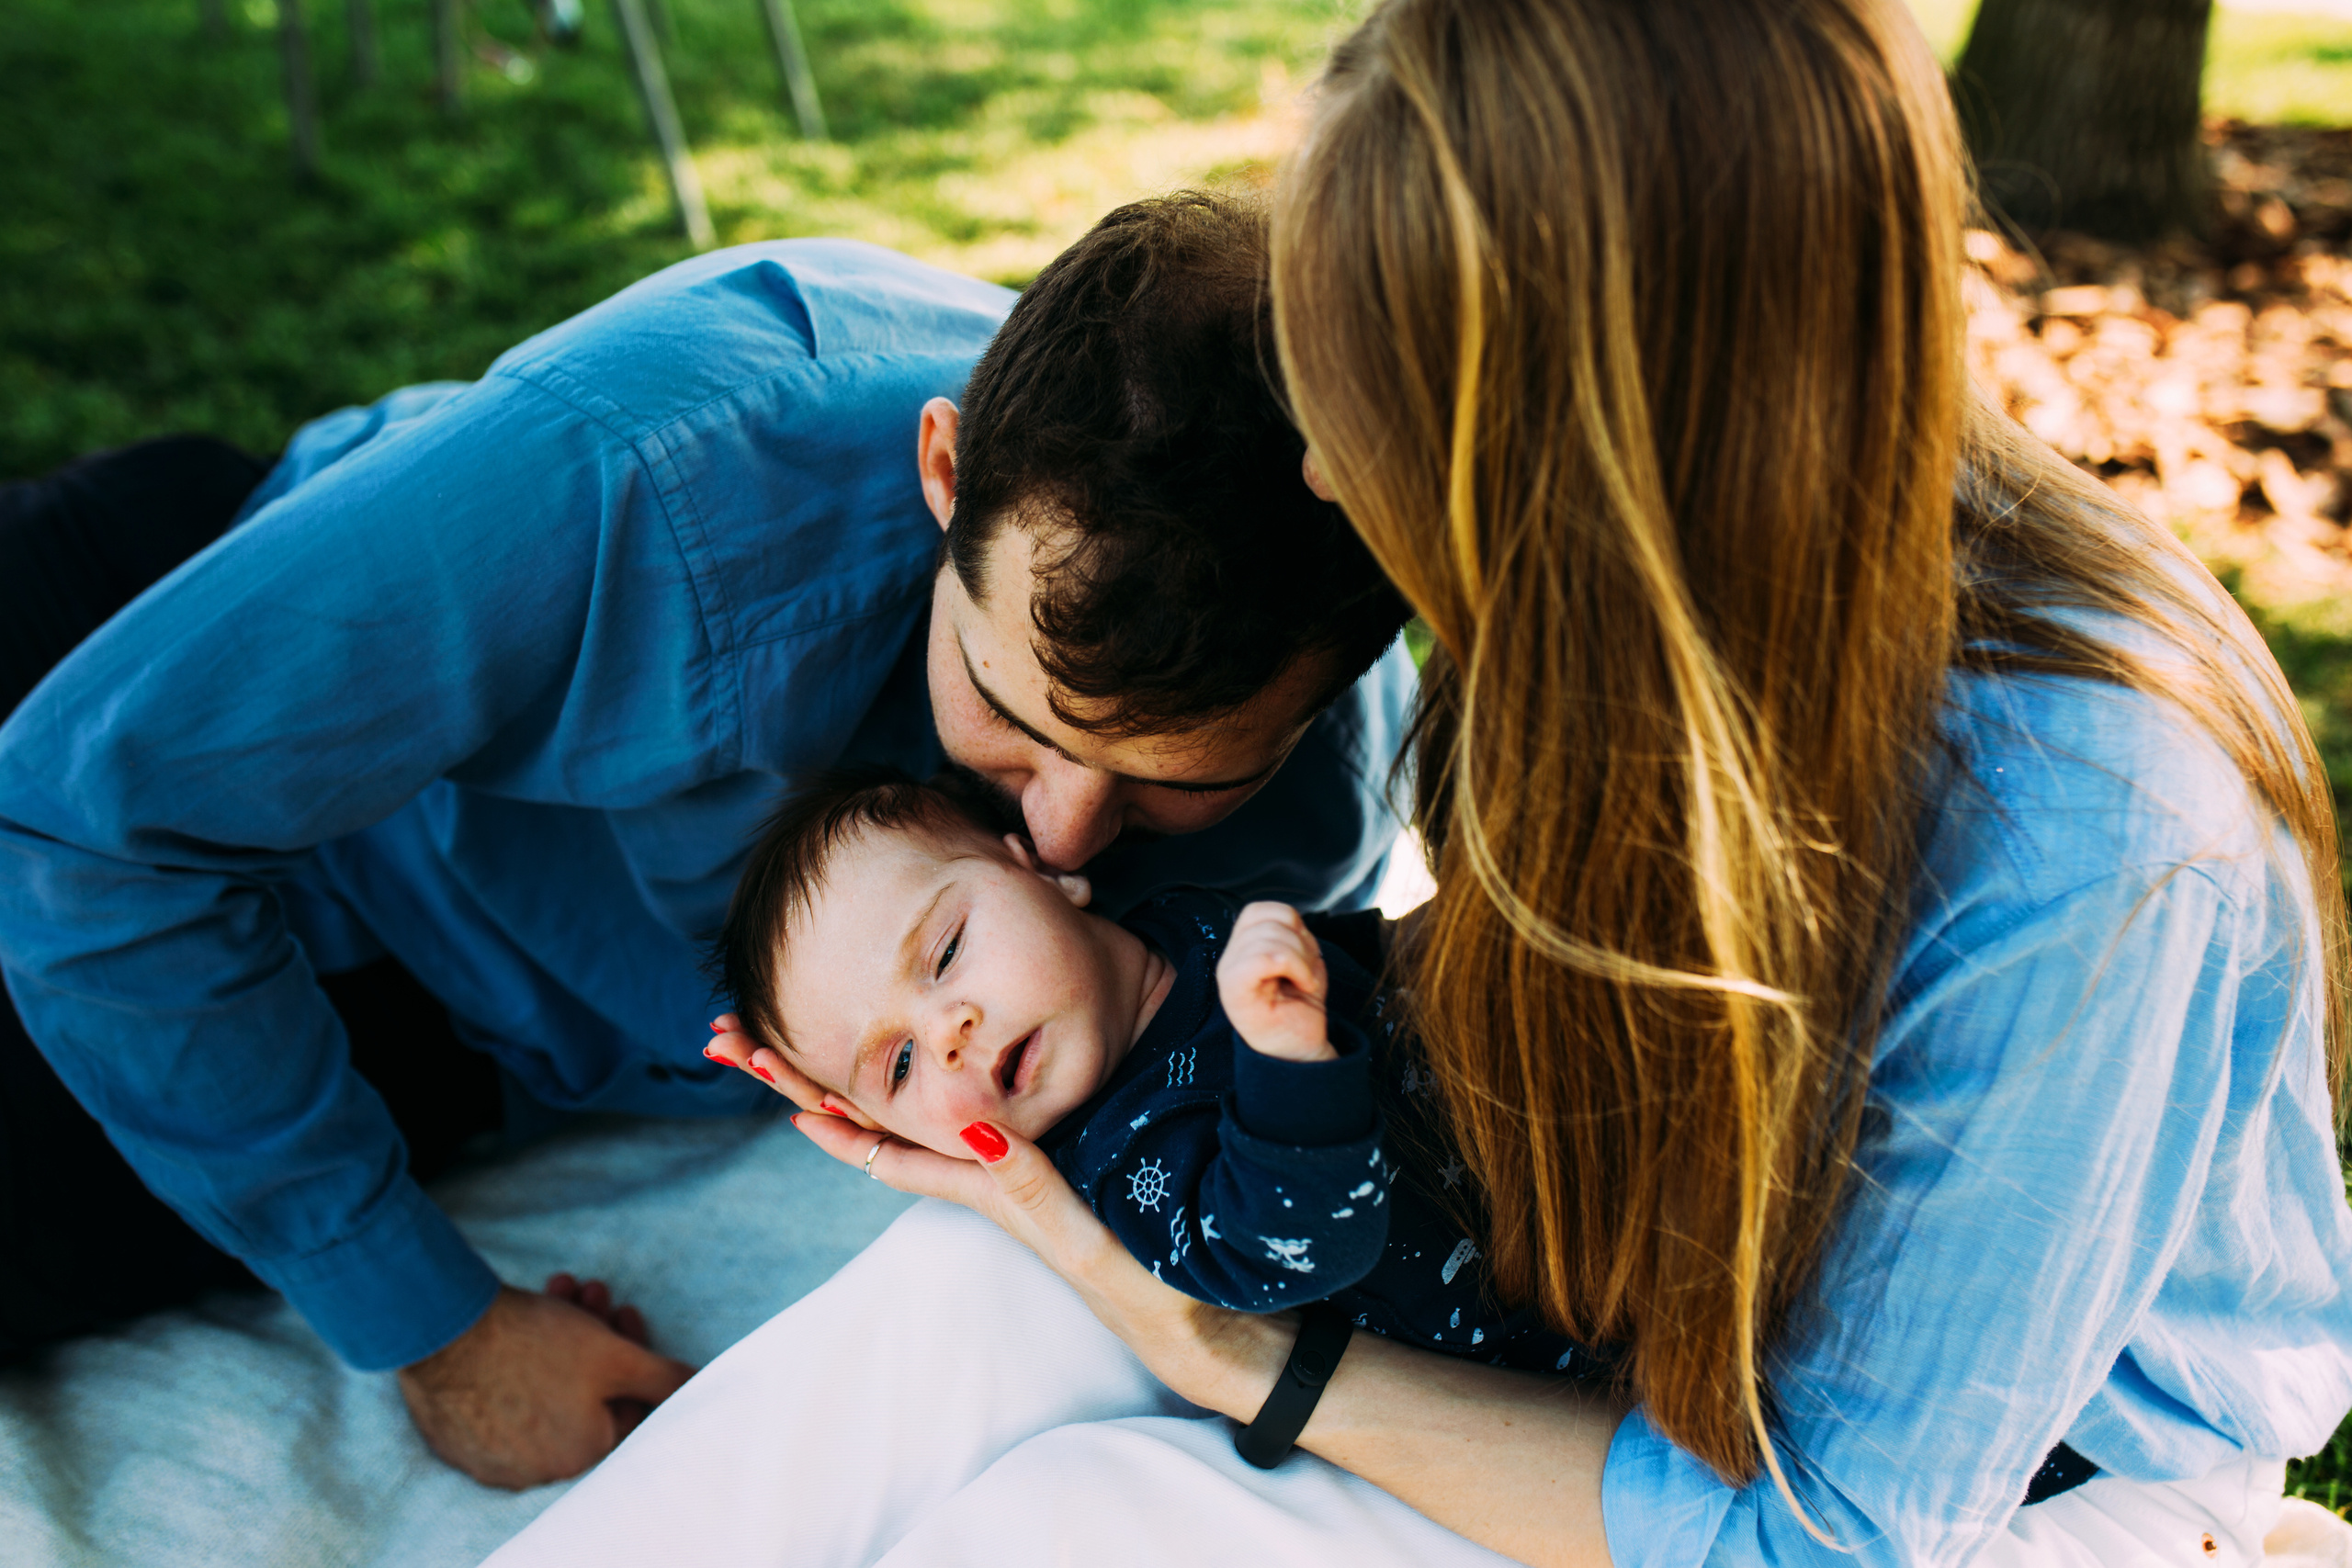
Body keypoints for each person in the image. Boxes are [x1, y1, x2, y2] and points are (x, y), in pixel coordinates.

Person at [479, 0, 2352, 1564]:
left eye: (1374, 388)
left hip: (2007, 1502)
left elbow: (1831, 1529)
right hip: (1636, 1334)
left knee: (1075, 1517)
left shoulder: (2092, 836)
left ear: (1589, 428)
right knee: (976, 1293)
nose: (1313, 474)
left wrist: (1227, 1353)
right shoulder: (1624, 602)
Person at [0, 193, 1415, 1489]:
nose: (1062, 833)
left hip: (424, 1030)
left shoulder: (1315, 810)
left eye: (1175, 779)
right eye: (1007, 707)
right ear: (943, 470)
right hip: (198, 703)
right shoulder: (649, 466)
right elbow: (81, 820)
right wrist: (440, 1328)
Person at [704, 767, 1607, 1372]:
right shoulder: (1120, 1161)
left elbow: (1367, 963)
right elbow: (1288, 1250)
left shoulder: (1181, 923)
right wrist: (1285, 1058)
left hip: (1574, 1121)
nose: (948, 1033)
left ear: (1040, 872)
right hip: (1567, 1325)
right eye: (898, 1065)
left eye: (945, 954)